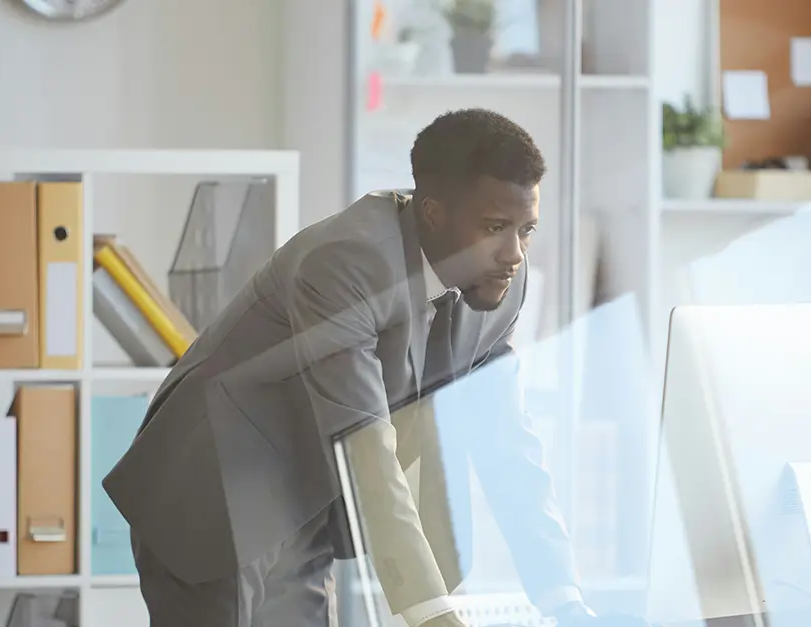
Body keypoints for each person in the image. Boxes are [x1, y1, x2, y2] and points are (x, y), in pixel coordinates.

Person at [103, 108, 600, 627]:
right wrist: (433, 616)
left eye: (527, 229)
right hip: (215, 493)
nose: (515, 253)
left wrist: (562, 596)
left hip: (306, 498)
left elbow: (510, 445)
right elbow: (366, 448)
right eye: (496, 227)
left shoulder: (499, 282)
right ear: (432, 213)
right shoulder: (347, 263)